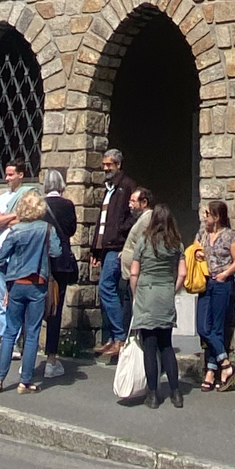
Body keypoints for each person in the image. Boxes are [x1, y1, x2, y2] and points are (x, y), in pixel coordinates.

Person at [0, 190, 62, 394]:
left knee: (10, 331)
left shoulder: (15, 231)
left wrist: (9, 276)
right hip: (37, 283)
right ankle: (25, 381)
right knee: (32, 333)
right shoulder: (47, 229)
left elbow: (0, 259)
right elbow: (56, 252)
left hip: (16, 284)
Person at [124, 198, 187, 408]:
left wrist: (136, 293)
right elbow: (182, 273)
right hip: (165, 293)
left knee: (149, 346)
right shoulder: (176, 243)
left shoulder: (143, 241)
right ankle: (176, 392)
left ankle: (153, 394)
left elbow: (134, 271)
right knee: (166, 345)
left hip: (146, 292)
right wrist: (172, 289)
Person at [89, 147, 137, 358]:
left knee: (106, 287)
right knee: (110, 291)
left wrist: (123, 240)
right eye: (104, 165)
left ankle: (119, 336)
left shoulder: (126, 187)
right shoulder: (108, 189)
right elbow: (102, 222)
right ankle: (110, 337)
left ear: (118, 165)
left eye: (109, 165)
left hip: (117, 247)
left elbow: (132, 216)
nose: (105, 168)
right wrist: (95, 249)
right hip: (105, 247)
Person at [0, 158, 41, 339]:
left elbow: (26, 219)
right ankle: (4, 338)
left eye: (11, 174)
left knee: (15, 299)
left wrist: (7, 218)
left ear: (20, 175)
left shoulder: (29, 195)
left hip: (17, 253)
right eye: (6, 174)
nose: (7, 178)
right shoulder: (2, 198)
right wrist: (13, 215)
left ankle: (15, 339)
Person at [195, 199, 235, 391]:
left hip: (222, 283)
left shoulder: (228, 236)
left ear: (216, 217)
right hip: (205, 282)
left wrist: (225, 274)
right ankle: (225, 363)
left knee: (217, 328)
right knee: (202, 327)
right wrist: (197, 255)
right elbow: (194, 250)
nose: (204, 217)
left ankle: (211, 371)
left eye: (207, 214)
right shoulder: (202, 234)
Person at [41, 167, 79, 381]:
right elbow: (71, 230)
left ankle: (27, 359)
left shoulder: (38, 204)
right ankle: (51, 360)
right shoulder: (67, 205)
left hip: (39, 262)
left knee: (34, 311)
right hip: (61, 264)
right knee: (55, 310)